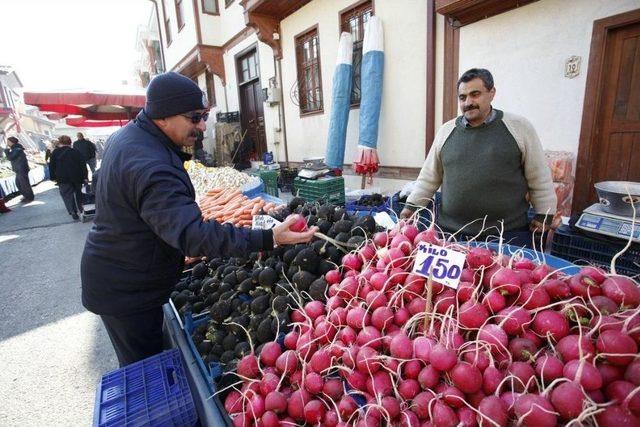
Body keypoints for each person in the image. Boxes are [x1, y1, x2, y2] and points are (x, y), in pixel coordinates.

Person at [81, 72, 317, 367]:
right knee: (144, 370)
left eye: (204, 115)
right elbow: (193, 235)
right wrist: (269, 237)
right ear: (163, 116)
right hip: (127, 289)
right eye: (194, 117)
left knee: (146, 362)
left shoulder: (131, 138)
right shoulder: (152, 165)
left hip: (123, 275)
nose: (203, 125)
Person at [401, 68, 556, 248]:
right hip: (450, 234)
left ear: (492, 93)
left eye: (475, 94)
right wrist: (411, 207)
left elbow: (539, 176)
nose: (468, 102)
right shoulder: (446, 131)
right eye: (462, 97)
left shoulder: (519, 128)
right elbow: (429, 177)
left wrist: (544, 214)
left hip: (507, 237)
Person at [49, 135, 88, 220]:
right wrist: (85, 176)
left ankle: (72, 211)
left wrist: (52, 177)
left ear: (60, 143)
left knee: (67, 195)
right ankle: (81, 210)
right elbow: (83, 165)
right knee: (79, 194)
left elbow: (51, 166)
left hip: (62, 178)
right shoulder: (75, 151)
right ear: (70, 142)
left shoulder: (55, 152)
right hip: (77, 176)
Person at [3, 136, 34, 203]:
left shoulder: (17, 149)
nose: (7, 143)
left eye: (8, 141)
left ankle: (29, 197)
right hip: (19, 169)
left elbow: (10, 157)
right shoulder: (15, 148)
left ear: (12, 142)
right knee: (19, 184)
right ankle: (26, 196)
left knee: (24, 184)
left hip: (21, 169)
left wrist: (6, 150)